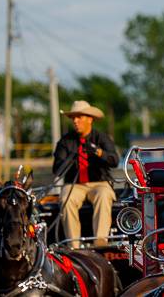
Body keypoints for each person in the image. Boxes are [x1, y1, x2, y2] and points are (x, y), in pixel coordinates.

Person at [52, 100, 119, 247]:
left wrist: (99, 152)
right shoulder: (65, 142)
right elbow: (56, 170)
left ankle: (100, 243)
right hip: (74, 185)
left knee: (104, 195)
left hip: (99, 183)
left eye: (79, 117)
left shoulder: (102, 138)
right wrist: (70, 159)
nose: (75, 121)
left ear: (90, 119)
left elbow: (114, 160)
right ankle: (73, 246)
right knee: (66, 199)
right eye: (73, 118)